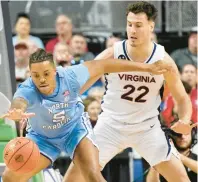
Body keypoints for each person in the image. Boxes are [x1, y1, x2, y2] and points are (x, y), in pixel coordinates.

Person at [64, 2, 197, 182]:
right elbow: (79, 84)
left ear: (151, 26)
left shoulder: (163, 60)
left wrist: (184, 120)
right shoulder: (113, 53)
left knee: (181, 179)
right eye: (129, 24)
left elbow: (182, 98)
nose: (132, 30)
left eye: (138, 25)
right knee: (72, 179)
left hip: (146, 128)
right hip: (111, 126)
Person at [1, 48, 169, 182]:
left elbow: (105, 65)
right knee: (10, 177)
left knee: (92, 176)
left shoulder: (71, 75)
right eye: (35, 75)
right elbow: (19, 101)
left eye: (46, 74)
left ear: (54, 71)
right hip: (43, 138)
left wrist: (147, 68)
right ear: (30, 74)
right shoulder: (27, 89)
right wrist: (17, 110)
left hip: (74, 131)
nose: (41, 79)